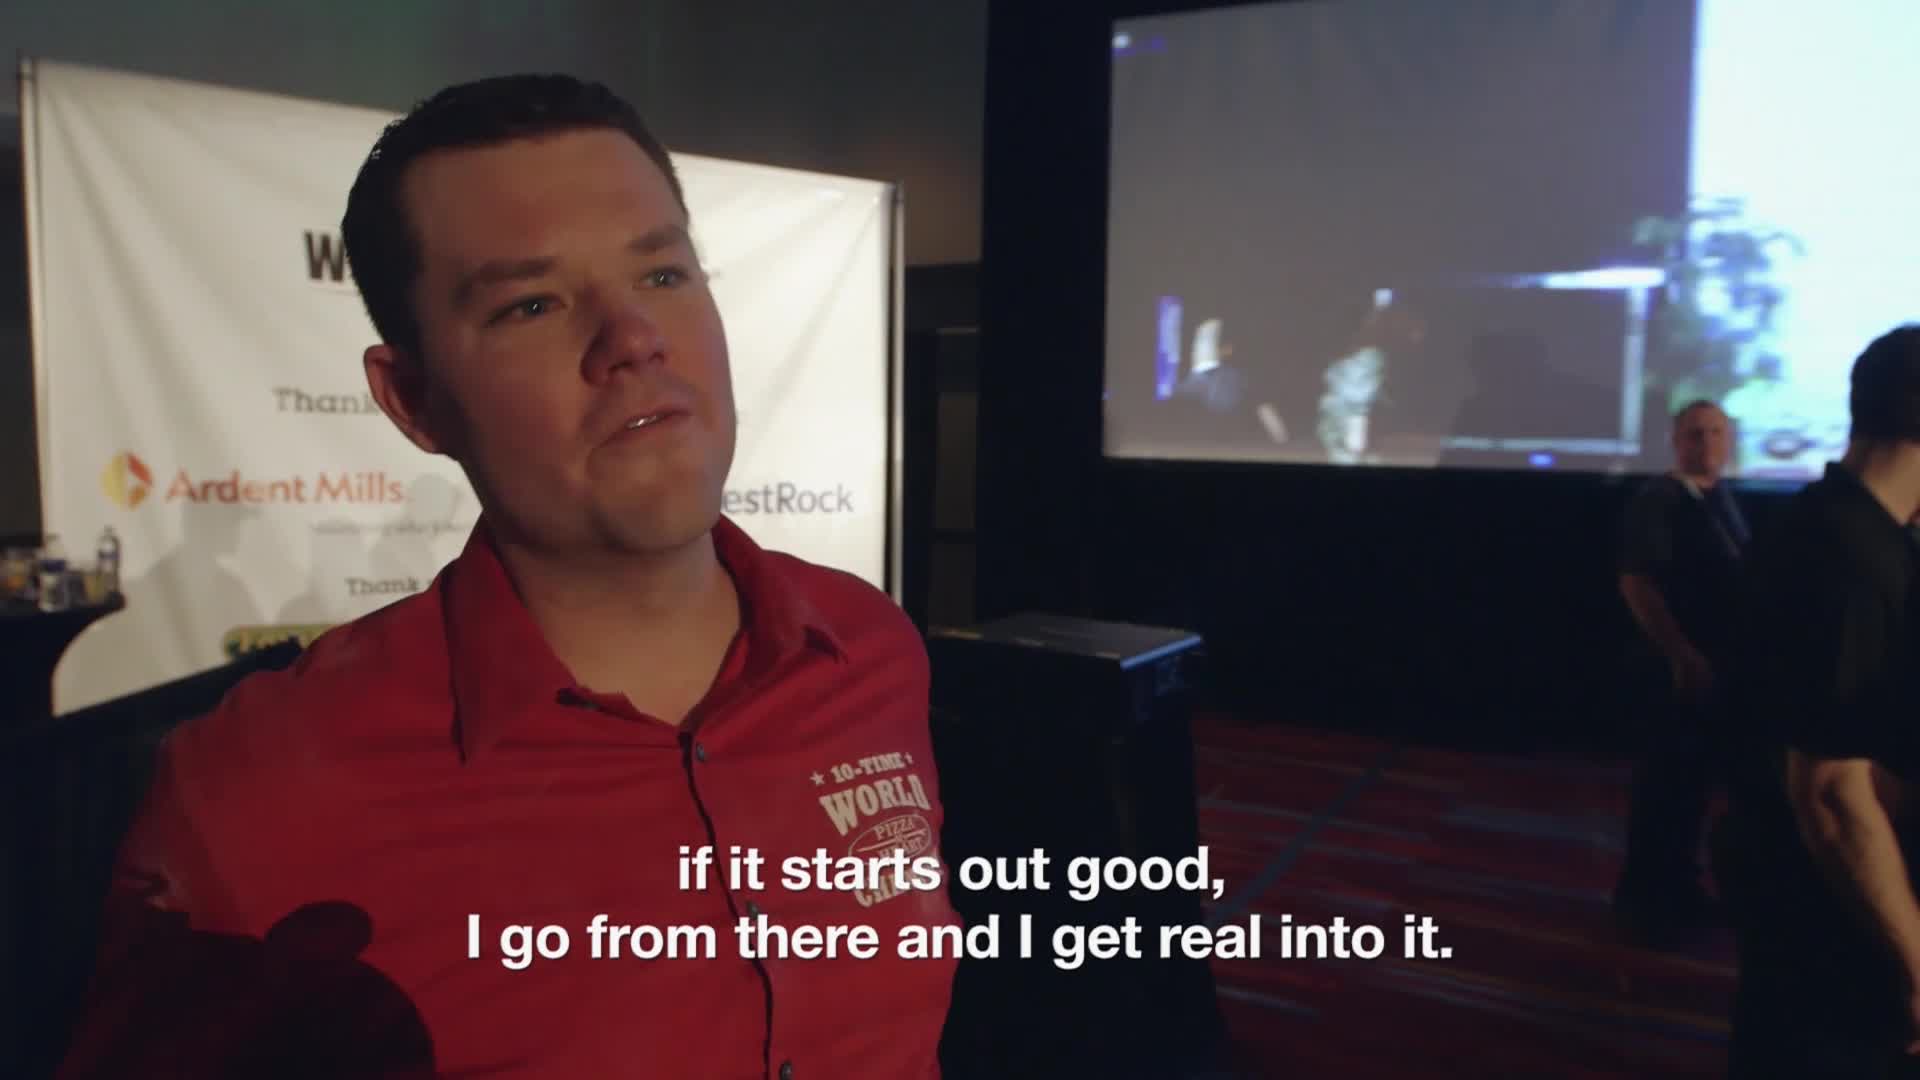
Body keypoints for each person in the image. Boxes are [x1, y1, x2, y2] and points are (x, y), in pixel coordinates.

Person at [56, 74, 960, 1079]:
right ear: (413, 402)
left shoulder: (871, 649)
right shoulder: (258, 791)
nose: (632, 340)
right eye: (532, 304)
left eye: (662, 276)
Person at [1721, 325, 1920, 1076]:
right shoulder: (1852, 561)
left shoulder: (1824, 520)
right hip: (1823, 907)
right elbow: (1834, 798)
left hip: (1784, 879)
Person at [1611, 399, 1749, 942]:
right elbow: (1637, 583)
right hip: (1673, 670)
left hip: (1714, 666)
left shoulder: (1719, 497)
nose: (1708, 443)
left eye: (1717, 433)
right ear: (1676, 441)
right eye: (1696, 434)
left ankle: (1677, 891)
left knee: (1689, 789)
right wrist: (1681, 655)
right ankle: (1646, 901)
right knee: (1664, 788)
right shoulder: (1659, 501)